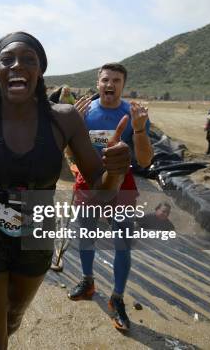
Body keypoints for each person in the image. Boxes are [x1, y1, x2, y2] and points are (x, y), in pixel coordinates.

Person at [0, 32, 131, 349]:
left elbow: (103, 191)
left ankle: (8, 327)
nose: (17, 66)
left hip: (36, 233)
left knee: (11, 318)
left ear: (40, 71)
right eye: (7, 59)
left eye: (29, 60)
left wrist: (115, 172)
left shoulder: (63, 119)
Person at [70, 63, 153, 332]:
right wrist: (76, 126)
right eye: (106, 79)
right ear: (98, 83)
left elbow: (144, 160)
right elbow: (70, 154)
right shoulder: (85, 112)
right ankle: (87, 281)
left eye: (116, 80)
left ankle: (116, 298)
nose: (110, 84)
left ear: (123, 85)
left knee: (122, 243)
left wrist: (139, 131)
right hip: (88, 179)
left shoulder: (133, 114)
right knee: (85, 235)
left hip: (122, 182)